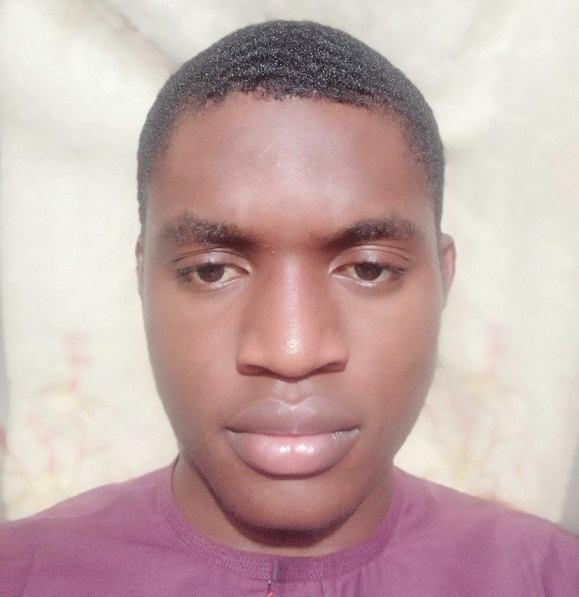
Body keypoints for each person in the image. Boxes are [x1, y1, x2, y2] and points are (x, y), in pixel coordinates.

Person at [1, 20, 577, 596]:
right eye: (212, 270)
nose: (292, 351)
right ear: (143, 278)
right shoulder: (23, 573)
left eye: (368, 268)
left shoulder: (548, 577)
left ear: (443, 279)